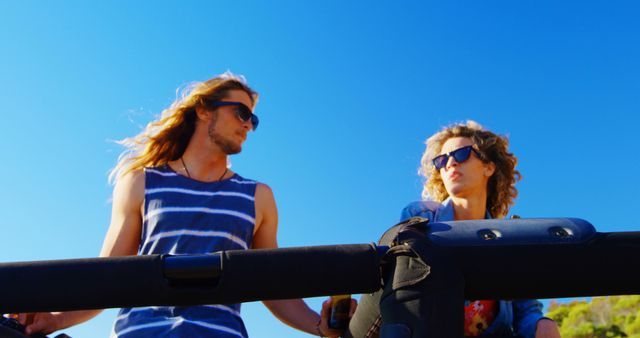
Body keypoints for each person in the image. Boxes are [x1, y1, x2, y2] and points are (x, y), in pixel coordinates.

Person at [16, 72, 347, 338]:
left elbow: (272, 285)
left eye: (253, 120)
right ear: (204, 110)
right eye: (241, 112)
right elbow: (107, 276)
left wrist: (321, 325)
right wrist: (55, 320)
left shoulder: (258, 196)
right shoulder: (140, 182)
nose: (248, 124)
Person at [345, 121, 561, 338]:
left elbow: (526, 310)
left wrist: (541, 324)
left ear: (489, 166)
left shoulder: (509, 238)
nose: (450, 164)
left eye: (461, 154)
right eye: (442, 160)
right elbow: (400, 292)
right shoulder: (421, 218)